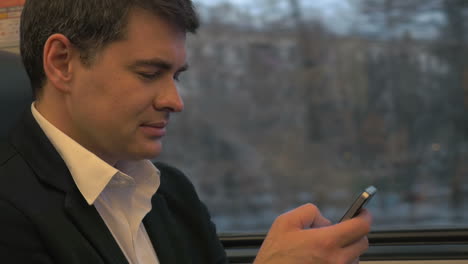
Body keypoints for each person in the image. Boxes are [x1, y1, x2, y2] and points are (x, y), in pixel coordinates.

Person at [0, 0, 372, 263]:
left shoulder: (172, 193)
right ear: (62, 63)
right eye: (149, 74)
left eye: (176, 76)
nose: (175, 101)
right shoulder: (10, 210)